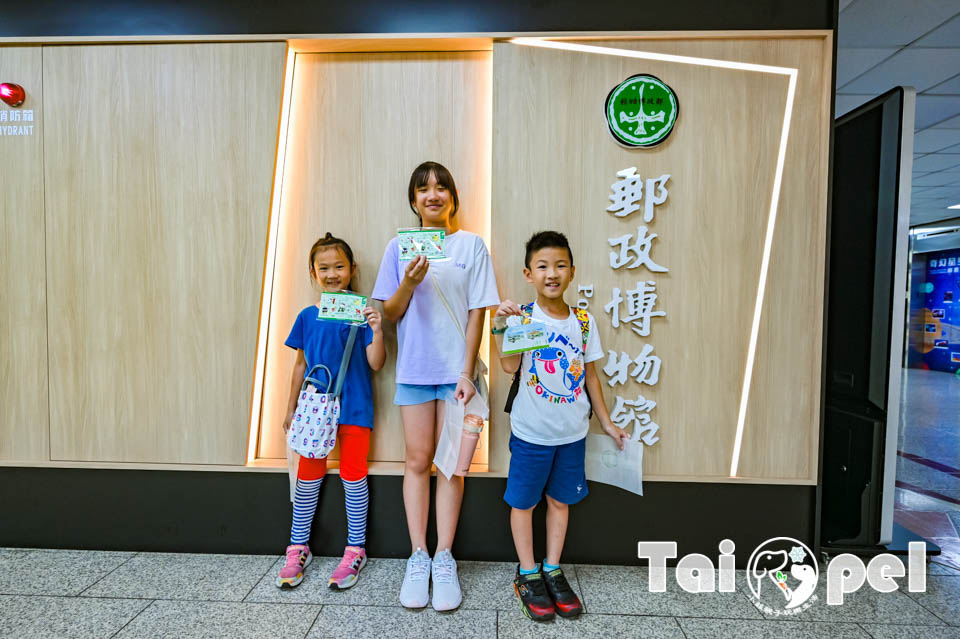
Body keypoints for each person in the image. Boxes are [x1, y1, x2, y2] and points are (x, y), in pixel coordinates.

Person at [372, 161, 500, 610]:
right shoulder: (399, 247)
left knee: (450, 465)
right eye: (423, 189)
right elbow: (388, 313)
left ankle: (445, 557)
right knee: (416, 460)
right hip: (413, 370)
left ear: (453, 198)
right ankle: (418, 555)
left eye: (441, 187)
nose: (433, 195)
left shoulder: (471, 245)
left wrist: (467, 373)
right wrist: (408, 282)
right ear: (413, 201)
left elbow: (477, 313)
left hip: (455, 375)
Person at [492, 231, 628, 622]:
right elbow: (508, 366)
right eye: (543, 266)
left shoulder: (582, 322)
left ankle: (552, 567)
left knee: (560, 501)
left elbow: (591, 377)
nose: (552, 273)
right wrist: (501, 327)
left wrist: (608, 424)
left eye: (560, 265)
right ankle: (528, 573)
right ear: (528, 274)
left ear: (571, 272)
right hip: (531, 433)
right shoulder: (523, 316)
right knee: (523, 503)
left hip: (572, 435)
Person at [277, 233, 386, 590]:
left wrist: (376, 330)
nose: (332, 273)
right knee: (308, 476)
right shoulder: (307, 316)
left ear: (352, 270)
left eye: (339, 266)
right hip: (312, 411)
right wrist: (289, 408)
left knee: (354, 476)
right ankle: (297, 547)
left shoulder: (360, 313)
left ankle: (355, 549)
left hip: (354, 408)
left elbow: (376, 363)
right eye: (324, 268)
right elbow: (299, 365)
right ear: (313, 272)